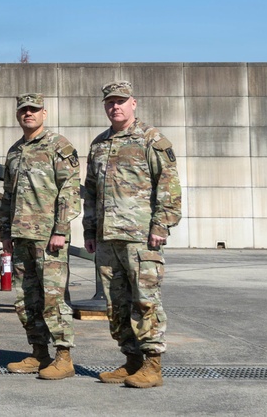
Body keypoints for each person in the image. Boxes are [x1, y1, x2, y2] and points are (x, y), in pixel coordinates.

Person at [83, 80, 182, 388]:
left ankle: (153, 365)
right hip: (107, 238)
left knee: (146, 301)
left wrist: (161, 225)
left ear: (133, 103)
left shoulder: (151, 139)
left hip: (141, 238)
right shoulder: (99, 144)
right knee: (116, 304)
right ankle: (132, 360)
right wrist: (89, 229)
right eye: (110, 102)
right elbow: (90, 191)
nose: (115, 106)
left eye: (121, 101)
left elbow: (169, 185)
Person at [0, 93, 81, 379]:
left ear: (44, 113)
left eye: (34, 109)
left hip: (48, 238)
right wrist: (5, 232)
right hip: (21, 237)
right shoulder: (15, 151)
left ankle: (64, 357)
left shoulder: (58, 146)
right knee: (26, 299)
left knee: (53, 298)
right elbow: (8, 196)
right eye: (24, 110)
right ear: (18, 115)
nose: (28, 114)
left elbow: (70, 190)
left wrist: (61, 229)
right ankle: (39, 353)